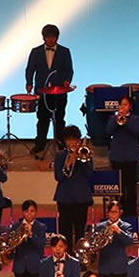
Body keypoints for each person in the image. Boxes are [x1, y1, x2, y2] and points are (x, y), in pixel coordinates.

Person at [24, 23, 74, 157]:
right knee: (42, 119)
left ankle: (60, 143)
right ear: (44, 38)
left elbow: (69, 69)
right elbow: (30, 69)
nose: (51, 40)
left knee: (59, 118)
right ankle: (40, 144)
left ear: (57, 38)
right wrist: (29, 83)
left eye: (54, 37)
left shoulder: (65, 51)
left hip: (59, 91)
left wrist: (67, 80)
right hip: (42, 91)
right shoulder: (36, 51)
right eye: (48, 37)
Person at [54, 126, 94, 245]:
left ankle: (79, 256)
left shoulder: (85, 154)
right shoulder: (60, 156)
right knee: (64, 231)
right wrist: (69, 161)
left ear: (78, 141)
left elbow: (90, 173)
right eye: (68, 140)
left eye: (74, 139)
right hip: (64, 197)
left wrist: (82, 159)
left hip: (81, 198)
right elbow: (58, 177)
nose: (71, 143)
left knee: (80, 230)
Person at [108, 95, 139, 215]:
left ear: (130, 107)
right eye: (121, 104)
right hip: (117, 157)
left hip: (131, 157)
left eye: (125, 105)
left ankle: (131, 213)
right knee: (120, 188)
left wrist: (126, 121)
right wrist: (118, 120)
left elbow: (138, 132)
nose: (122, 107)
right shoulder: (113, 118)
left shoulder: (135, 119)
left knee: (131, 188)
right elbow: (108, 131)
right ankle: (118, 212)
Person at [91, 200, 137, 277]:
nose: (113, 214)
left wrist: (119, 231)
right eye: (111, 212)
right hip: (104, 268)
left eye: (115, 212)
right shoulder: (100, 227)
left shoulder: (126, 226)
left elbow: (129, 241)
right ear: (107, 212)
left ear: (120, 212)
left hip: (120, 268)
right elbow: (94, 244)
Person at [4, 200, 47, 277]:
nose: (29, 214)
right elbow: (10, 243)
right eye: (26, 211)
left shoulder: (41, 227)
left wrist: (31, 234)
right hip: (20, 266)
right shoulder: (16, 227)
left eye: (32, 211)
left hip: (35, 266)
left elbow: (41, 244)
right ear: (23, 212)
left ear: (36, 212)